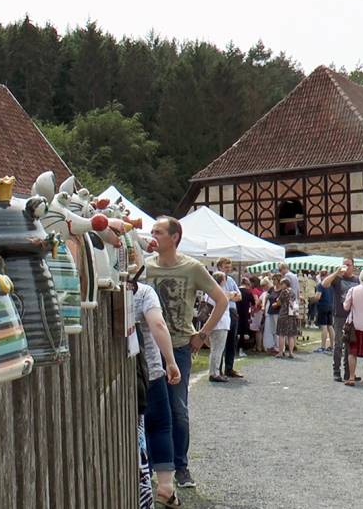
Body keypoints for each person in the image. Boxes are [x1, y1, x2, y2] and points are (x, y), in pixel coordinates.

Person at [146, 216, 228, 490]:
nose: (153, 235)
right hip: (150, 347)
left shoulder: (192, 268)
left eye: (158, 232)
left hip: (180, 345)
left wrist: (202, 334)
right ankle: (154, 465)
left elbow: (222, 299)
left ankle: (181, 466)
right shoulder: (146, 268)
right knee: (149, 407)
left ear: (174, 237)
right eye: (152, 231)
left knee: (177, 409)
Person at [129, 275, 182, 508]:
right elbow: (158, 325)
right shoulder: (143, 293)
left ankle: (143, 483)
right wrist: (170, 361)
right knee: (159, 425)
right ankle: (165, 487)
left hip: (119, 376)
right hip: (148, 371)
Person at [322, 257, 360, 382]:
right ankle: (336, 371)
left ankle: (349, 372)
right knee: (338, 344)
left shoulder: (356, 280)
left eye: (348, 264)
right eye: (344, 264)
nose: (346, 267)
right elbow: (324, 284)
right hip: (339, 315)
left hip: (352, 316)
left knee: (350, 344)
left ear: (353, 266)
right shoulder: (337, 279)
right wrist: (336, 273)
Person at [215, 258, 244, 378]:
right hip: (221, 311)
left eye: (229, 267)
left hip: (232, 311)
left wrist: (228, 296)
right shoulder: (214, 279)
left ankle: (229, 368)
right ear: (220, 267)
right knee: (220, 342)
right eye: (226, 267)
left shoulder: (231, 280)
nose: (228, 269)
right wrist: (230, 296)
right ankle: (218, 369)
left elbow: (239, 296)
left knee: (232, 341)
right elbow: (218, 296)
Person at [207, 272, 233, 382]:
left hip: (217, 323)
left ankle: (215, 371)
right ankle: (214, 373)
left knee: (215, 349)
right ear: (222, 280)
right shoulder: (219, 292)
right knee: (218, 349)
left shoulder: (210, 291)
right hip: (220, 323)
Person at [275, 278, 299, 358]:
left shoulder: (284, 292)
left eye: (282, 284)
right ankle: (291, 353)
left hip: (283, 314)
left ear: (285, 284)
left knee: (281, 334)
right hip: (291, 315)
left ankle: (281, 352)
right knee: (290, 335)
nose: (281, 286)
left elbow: (279, 302)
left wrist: (277, 300)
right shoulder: (292, 292)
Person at [315, 270, 334, 353]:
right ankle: (332, 346)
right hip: (330, 306)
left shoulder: (321, 285)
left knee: (324, 326)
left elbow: (318, 297)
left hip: (322, 306)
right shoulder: (331, 285)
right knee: (330, 326)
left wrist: (313, 298)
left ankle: (323, 346)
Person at [237, 278, 255, 353]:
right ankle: (241, 349)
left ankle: (233, 348)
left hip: (236, 313)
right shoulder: (248, 292)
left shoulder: (237, 291)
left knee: (235, 331)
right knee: (242, 333)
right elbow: (253, 303)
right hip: (244, 314)